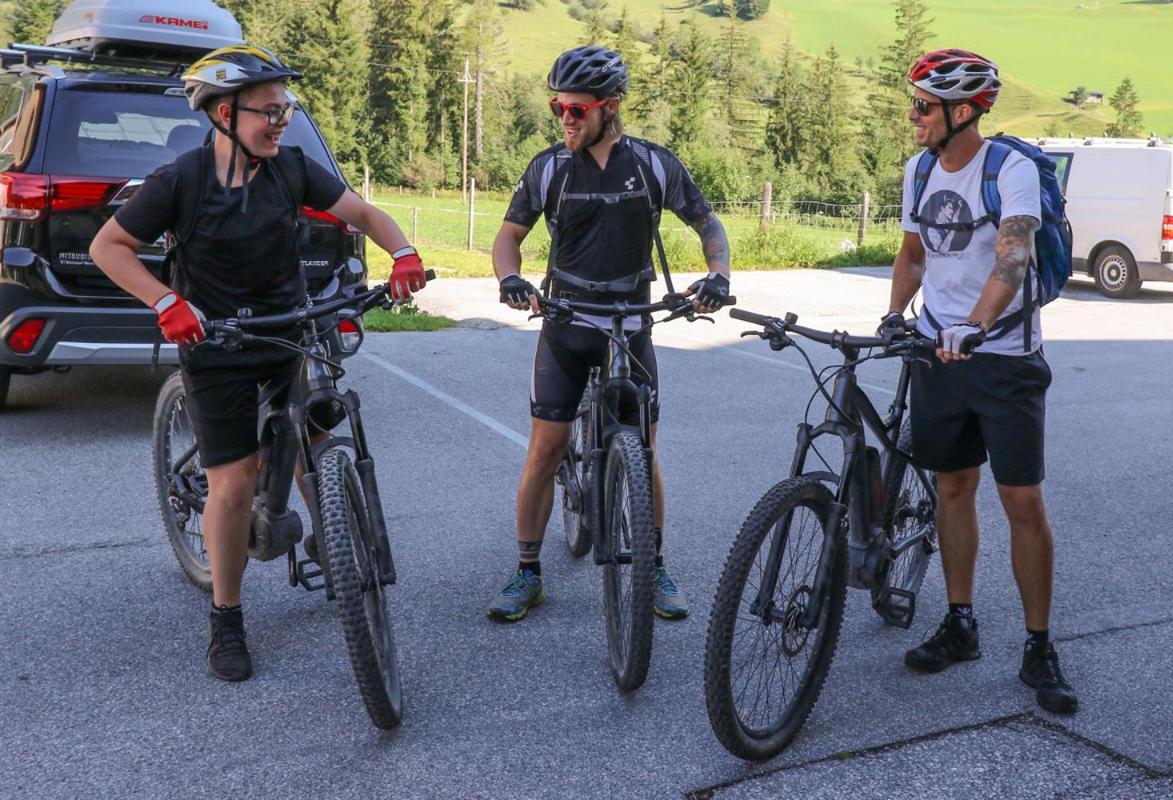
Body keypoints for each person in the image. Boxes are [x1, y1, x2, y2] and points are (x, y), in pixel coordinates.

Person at [90, 45, 427, 682]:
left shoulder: (292, 169)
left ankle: (334, 541)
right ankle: (227, 616)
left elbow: (358, 211)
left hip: (288, 329)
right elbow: (109, 247)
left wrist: (403, 251)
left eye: (286, 109)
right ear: (225, 114)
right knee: (236, 482)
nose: (282, 121)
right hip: (216, 345)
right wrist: (166, 300)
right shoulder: (179, 182)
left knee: (317, 437)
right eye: (269, 111)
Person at [486, 45, 732, 622]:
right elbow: (508, 237)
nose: (565, 119)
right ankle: (527, 572)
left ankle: (653, 564)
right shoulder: (547, 168)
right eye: (558, 108)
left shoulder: (651, 164)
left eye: (576, 109)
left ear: (609, 107)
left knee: (644, 451)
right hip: (566, 324)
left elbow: (707, 222)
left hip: (633, 325)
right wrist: (510, 277)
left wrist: (717, 275)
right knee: (545, 449)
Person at [878, 48, 1076, 713]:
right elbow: (912, 253)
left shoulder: (1010, 170)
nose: (914, 118)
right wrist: (892, 313)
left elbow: (1013, 254)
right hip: (939, 354)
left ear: (962, 112)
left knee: (1021, 501)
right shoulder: (919, 169)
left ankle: (1039, 645)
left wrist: (977, 325)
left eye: (923, 107)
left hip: (1004, 358)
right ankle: (960, 623)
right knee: (952, 488)